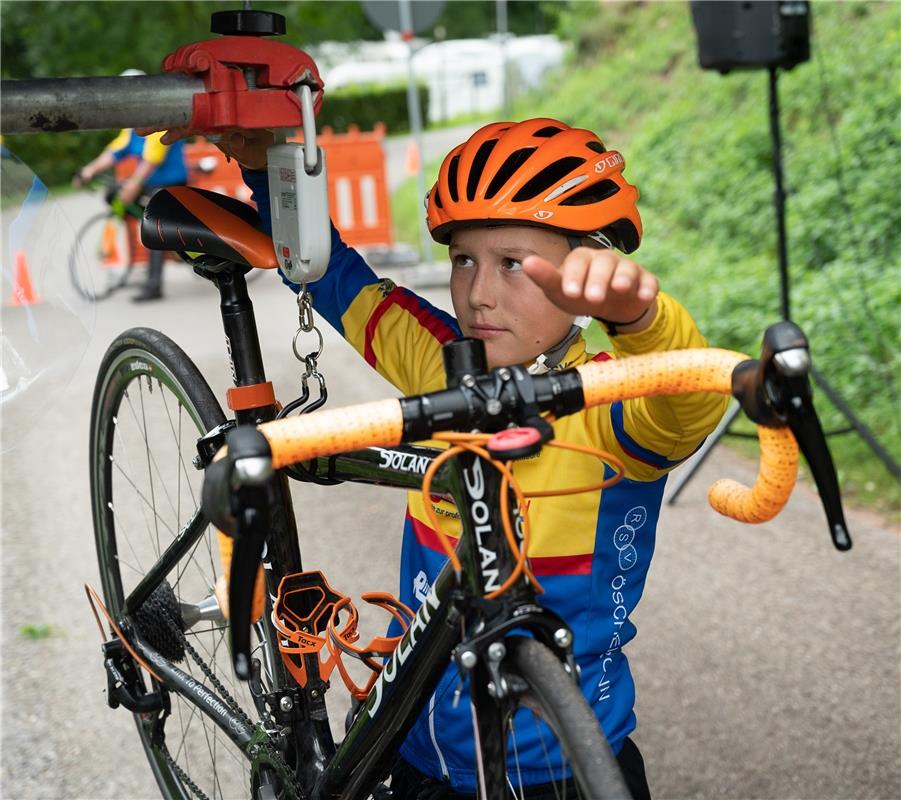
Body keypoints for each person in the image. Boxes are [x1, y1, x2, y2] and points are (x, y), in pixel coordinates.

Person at [209, 117, 728, 798]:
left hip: (567, 768)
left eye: (512, 263)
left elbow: (684, 402)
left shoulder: (607, 404)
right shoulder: (440, 359)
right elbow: (337, 280)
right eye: (463, 260)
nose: (478, 293)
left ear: (586, 265)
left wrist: (639, 321)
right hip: (418, 755)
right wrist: (261, 164)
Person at [74, 70, 188, 301]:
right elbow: (116, 150)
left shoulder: (158, 113)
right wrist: (89, 170)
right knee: (113, 195)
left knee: (152, 222)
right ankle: (168, 244)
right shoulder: (133, 123)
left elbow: (152, 157)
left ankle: (154, 285)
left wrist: (133, 185)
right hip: (150, 183)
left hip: (170, 183)